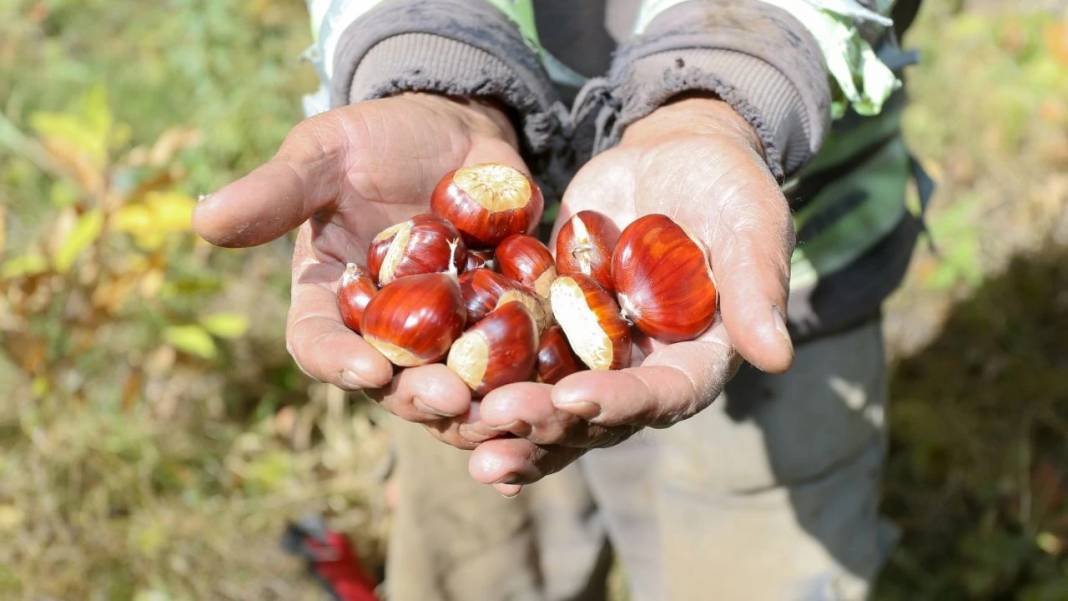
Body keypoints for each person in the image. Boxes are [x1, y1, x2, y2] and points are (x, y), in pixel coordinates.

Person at [193, 0, 929, 598]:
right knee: (484, 556)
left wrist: (724, 84)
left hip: (777, 256)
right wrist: (430, 54)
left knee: (754, 558)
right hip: (507, 322)